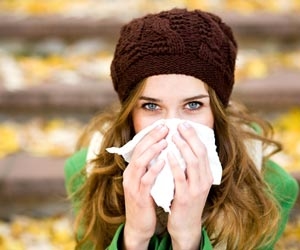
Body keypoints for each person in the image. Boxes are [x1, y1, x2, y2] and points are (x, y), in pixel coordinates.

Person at [64, 8, 299, 250]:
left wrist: (188, 239)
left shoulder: (267, 189)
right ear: (129, 113)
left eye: (193, 105)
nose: (172, 126)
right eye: (151, 106)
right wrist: (133, 238)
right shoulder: (90, 174)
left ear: (216, 112)